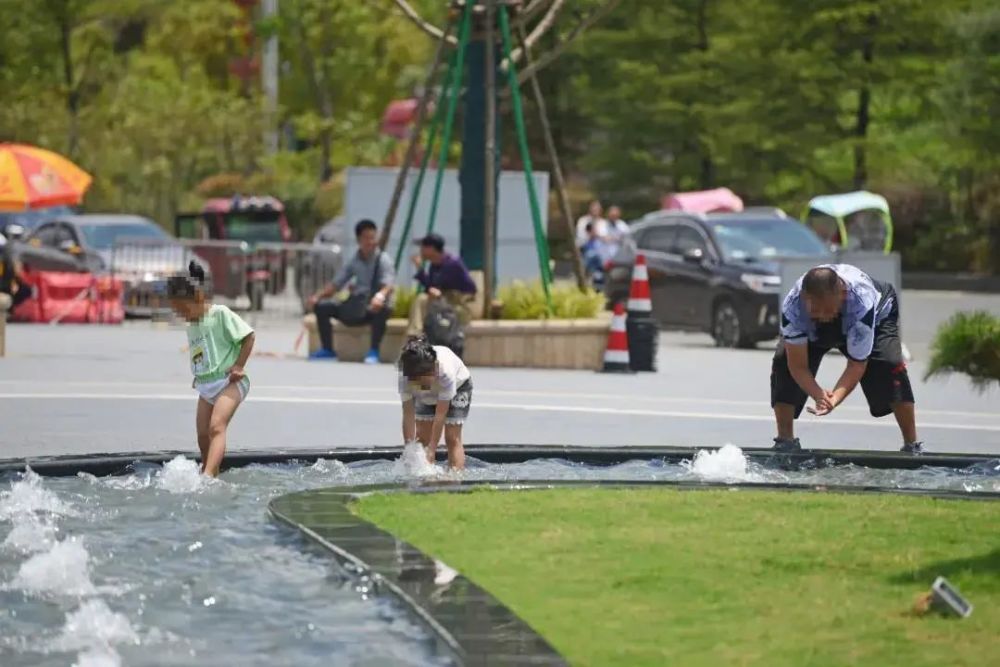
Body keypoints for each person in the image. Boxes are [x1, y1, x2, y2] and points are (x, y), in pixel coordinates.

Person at [770, 264, 922, 454]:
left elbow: (857, 364)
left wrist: (834, 399)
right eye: (816, 310)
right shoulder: (793, 306)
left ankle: (912, 444)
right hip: (816, 324)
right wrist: (818, 394)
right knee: (782, 360)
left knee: (889, 364)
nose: (824, 317)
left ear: (841, 294)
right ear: (804, 299)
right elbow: (797, 365)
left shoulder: (861, 300)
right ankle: (785, 441)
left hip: (877, 313)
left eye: (827, 310)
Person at [167, 261, 255, 477]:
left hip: (230, 381)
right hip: (206, 384)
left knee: (217, 427)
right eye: (178, 312)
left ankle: (208, 477)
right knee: (202, 434)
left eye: (184, 310)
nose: (182, 316)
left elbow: (249, 336)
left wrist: (239, 366)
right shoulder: (193, 326)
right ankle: (209, 470)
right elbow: (201, 352)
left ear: (198, 298)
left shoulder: (220, 314)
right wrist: (199, 373)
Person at [307, 219, 396, 363]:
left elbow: (388, 284)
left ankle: (374, 351)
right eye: (366, 238)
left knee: (383, 309)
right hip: (356, 304)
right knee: (322, 308)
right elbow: (337, 283)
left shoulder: (383, 259)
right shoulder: (354, 260)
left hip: (373, 306)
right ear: (359, 240)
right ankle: (328, 350)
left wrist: (379, 296)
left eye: (373, 238)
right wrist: (317, 297)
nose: (370, 242)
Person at [398, 335, 473, 470]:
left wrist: (433, 448)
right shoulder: (405, 378)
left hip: (459, 386)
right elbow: (408, 414)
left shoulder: (446, 373)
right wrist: (408, 448)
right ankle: (422, 480)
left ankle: (455, 479)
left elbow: (440, 416)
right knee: (421, 438)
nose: (430, 380)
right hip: (422, 387)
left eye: (431, 374)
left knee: (452, 437)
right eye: (424, 380)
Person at [407, 233, 477, 336]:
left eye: (423, 247)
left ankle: (414, 336)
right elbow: (430, 288)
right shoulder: (434, 265)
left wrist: (439, 294)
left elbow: (470, 290)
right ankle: (414, 335)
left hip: (459, 308)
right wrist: (420, 269)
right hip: (443, 303)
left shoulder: (452, 264)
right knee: (422, 299)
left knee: (422, 300)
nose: (420, 251)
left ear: (431, 248)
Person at [0, 225, 31, 315]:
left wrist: (15, 282)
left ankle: (10, 312)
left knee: (25, 290)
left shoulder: (8, 258)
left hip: (6, 285)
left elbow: (13, 273)